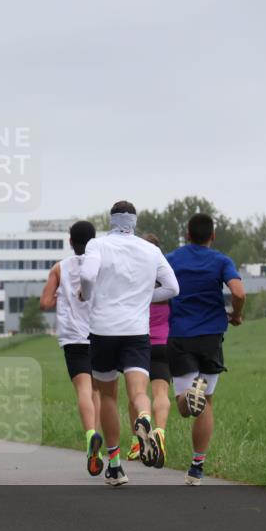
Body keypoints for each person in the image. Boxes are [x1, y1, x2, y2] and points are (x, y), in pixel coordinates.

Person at [79, 201, 179, 486]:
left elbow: (87, 276)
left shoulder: (97, 246)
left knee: (108, 396)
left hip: (103, 329)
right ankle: (144, 419)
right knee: (138, 392)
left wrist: (88, 295)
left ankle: (114, 465)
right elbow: (173, 288)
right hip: (136, 329)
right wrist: (143, 297)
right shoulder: (151, 250)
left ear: (111, 220)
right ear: (135, 221)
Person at [165, 213, 246, 486]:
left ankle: (189, 394)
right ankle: (197, 467)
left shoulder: (172, 259)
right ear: (212, 236)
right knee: (207, 402)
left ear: (187, 234)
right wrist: (235, 314)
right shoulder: (222, 261)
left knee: (185, 408)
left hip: (179, 335)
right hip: (211, 336)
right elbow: (239, 292)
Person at [40, 220, 105, 476]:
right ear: (94, 240)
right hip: (99, 333)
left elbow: (45, 303)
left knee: (83, 389)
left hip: (73, 337)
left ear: (70, 241)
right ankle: (96, 445)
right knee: (99, 389)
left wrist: (59, 295)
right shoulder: (100, 264)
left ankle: (90, 433)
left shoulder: (60, 268)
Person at [128, 233, 173, 464]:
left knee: (136, 395)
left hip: (138, 343)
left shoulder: (134, 278)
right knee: (161, 394)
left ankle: (137, 444)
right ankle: (160, 433)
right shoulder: (167, 280)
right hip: (164, 344)